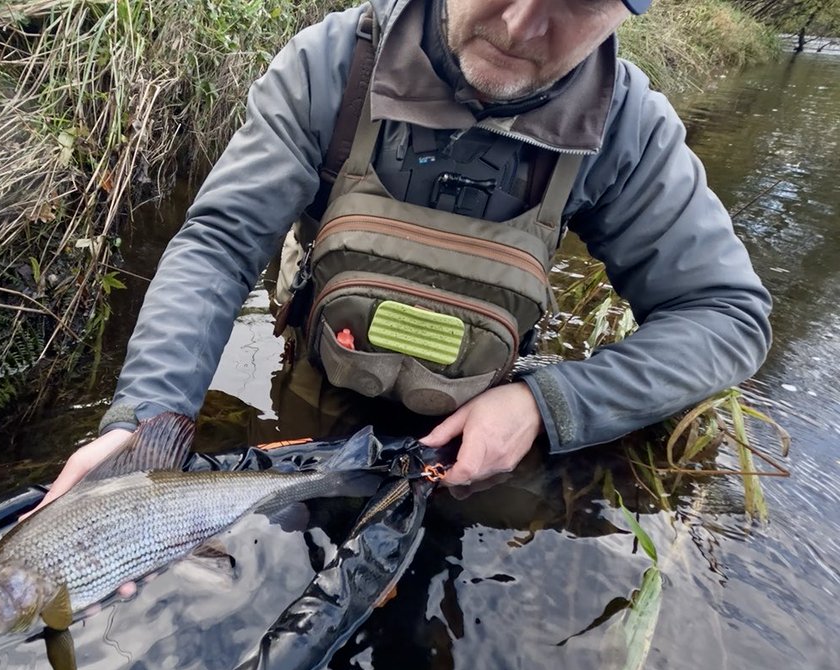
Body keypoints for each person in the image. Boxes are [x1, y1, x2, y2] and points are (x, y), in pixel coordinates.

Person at [38, 0, 772, 505]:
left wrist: (547, 405)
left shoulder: (629, 129)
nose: (519, 23)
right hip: (322, 378)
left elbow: (725, 315)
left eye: (576, 0)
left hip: (485, 421)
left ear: (628, 13)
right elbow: (222, 245)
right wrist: (146, 422)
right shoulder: (333, 67)